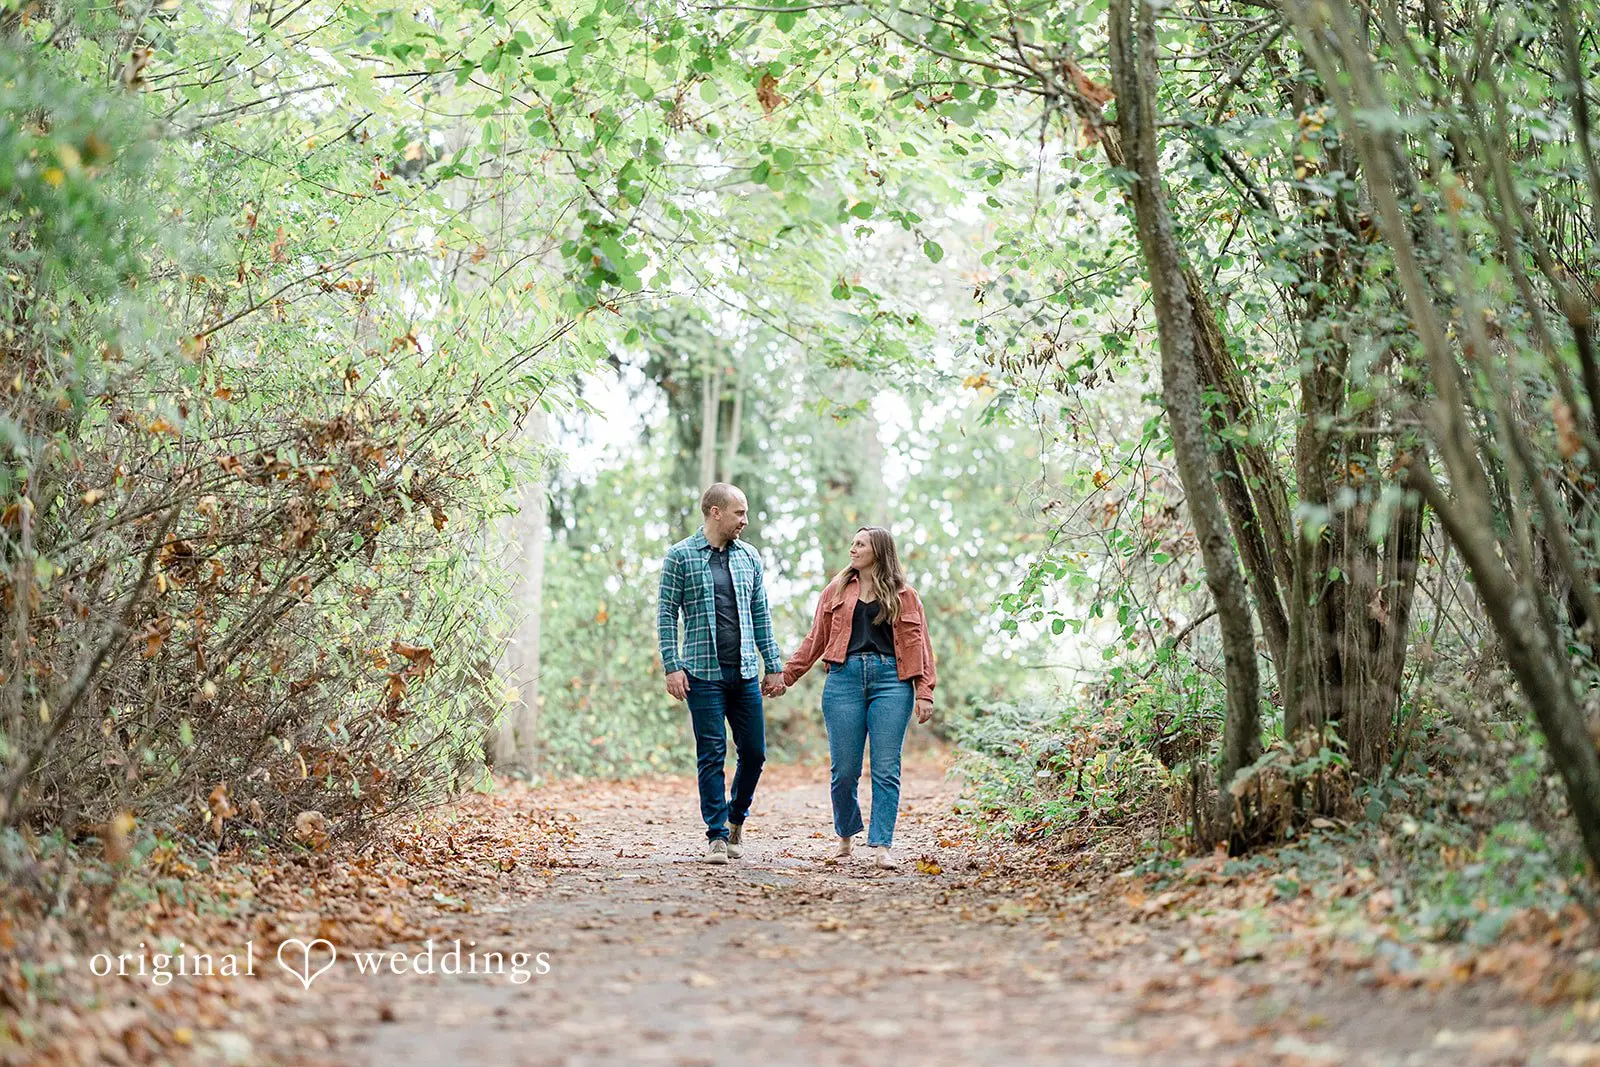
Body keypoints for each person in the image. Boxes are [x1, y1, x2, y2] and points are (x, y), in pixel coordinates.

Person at [781, 526, 936, 869]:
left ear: (878, 551)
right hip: (844, 680)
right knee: (845, 769)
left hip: (892, 684)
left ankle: (882, 845)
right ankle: (846, 835)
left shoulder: (905, 595)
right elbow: (815, 640)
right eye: (852, 543)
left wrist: (925, 692)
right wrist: (786, 675)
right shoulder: (835, 591)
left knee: (885, 768)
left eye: (860, 544)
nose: (852, 549)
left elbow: (922, 646)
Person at [657, 483, 787, 864]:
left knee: (755, 752)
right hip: (702, 673)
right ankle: (716, 836)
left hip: (745, 671)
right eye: (739, 513)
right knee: (711, 753)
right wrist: (671, 664)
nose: (744, 521)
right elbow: (667, 614)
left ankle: (735, 818)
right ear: (715, 512)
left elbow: (761, 614)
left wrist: (774, 665)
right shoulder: (680, 556)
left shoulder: (750, 557)